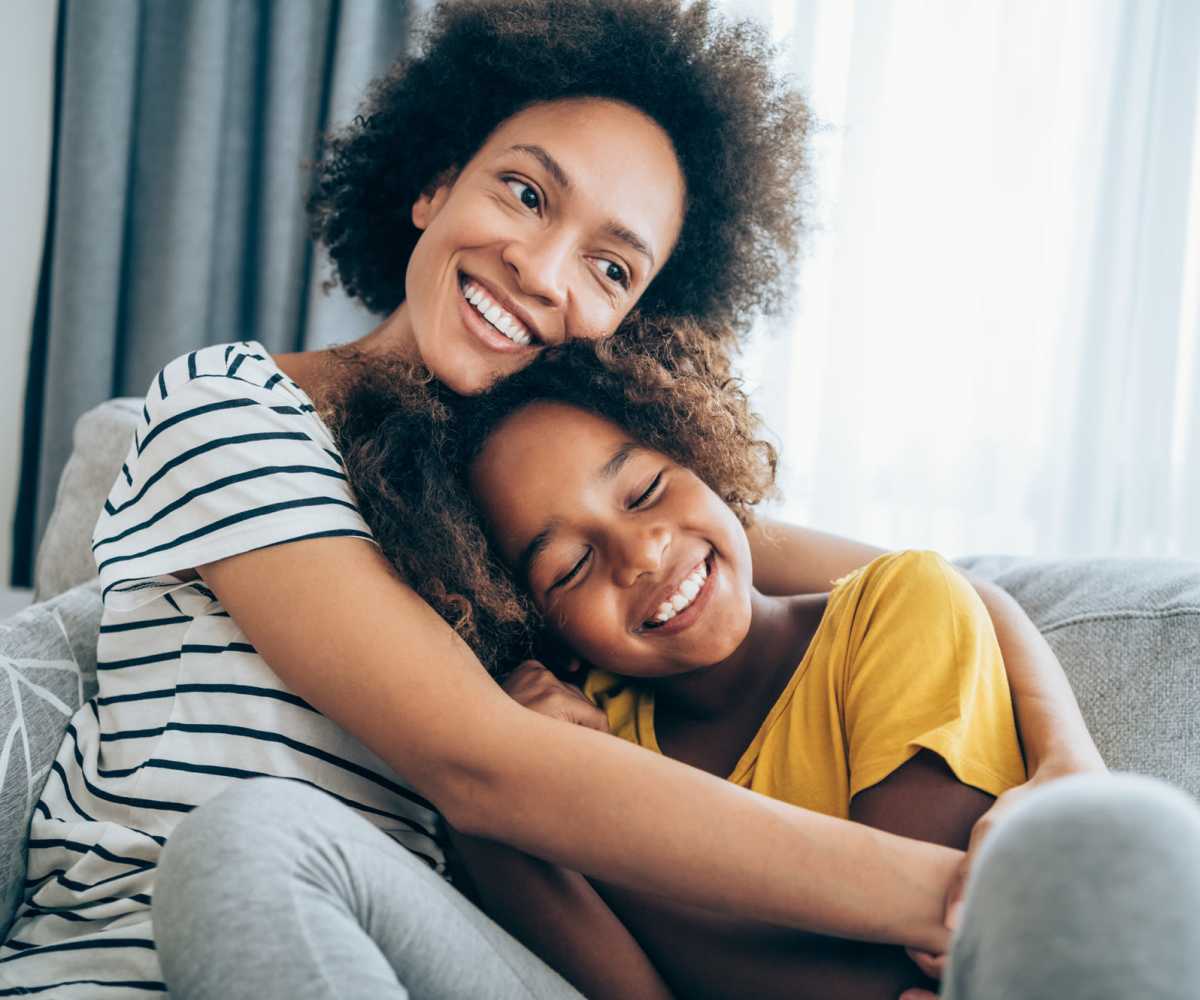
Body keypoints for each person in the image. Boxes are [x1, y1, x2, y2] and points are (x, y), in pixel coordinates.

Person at [1, 1, 1105, 997]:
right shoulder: (232, 408)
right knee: (251, 837)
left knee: (260, 839)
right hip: (135, 956)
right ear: (435, 181)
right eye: (525, 193)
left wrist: (1070, 772)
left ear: (634, 324)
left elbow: (939, 583)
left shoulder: (549, 504)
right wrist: (975, 900)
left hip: (421, 951)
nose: (542, 269)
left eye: (612, 268)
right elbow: (479, 762)